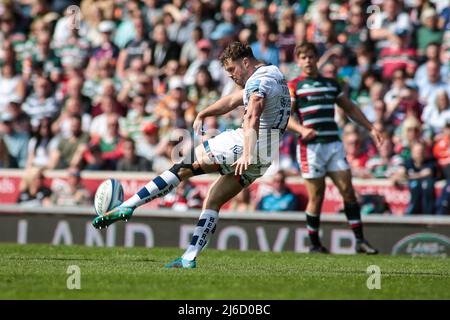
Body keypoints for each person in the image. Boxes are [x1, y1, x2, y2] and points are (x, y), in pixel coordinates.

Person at [92, 42, 291, 268]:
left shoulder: (257, 81)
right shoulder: (274, 74)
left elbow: (253, 114)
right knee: (213, 199)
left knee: (181, 167)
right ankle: (189, 257)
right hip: (264, 157)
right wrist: (204, 112)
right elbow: (233, 100)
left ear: (245, 62)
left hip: (243, 145)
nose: (231, 76)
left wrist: (245, 152)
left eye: (232, 70)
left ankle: (129, 205)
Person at [287, 42, 383, 254]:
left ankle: (360, 241)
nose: (308, 61)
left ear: (316, 58)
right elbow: (285, 117)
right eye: (303, 57)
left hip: (333, 144)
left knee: (348, 191)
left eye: (311, 56)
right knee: (317, 196)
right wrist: (301, 130)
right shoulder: (294, 85)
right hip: (310, 148)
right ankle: (314, 244)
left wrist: (371, 127)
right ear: (298, 61)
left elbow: (349, 107)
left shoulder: (331, 84)